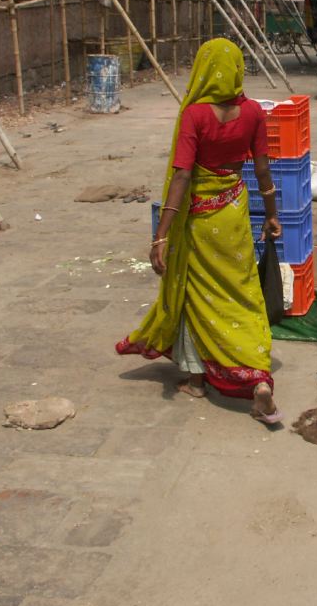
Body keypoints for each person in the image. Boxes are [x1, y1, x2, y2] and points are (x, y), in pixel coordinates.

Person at [115, 38, 283, 425]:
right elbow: (262, 172)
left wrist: (162, 233)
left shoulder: (194, 115)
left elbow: (182, 175)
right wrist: (271, 216)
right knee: (241, 294)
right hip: (234, 215)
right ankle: (257, 377)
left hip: (198, 221)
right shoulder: (254, 112)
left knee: (195, 292)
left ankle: (196, 379)